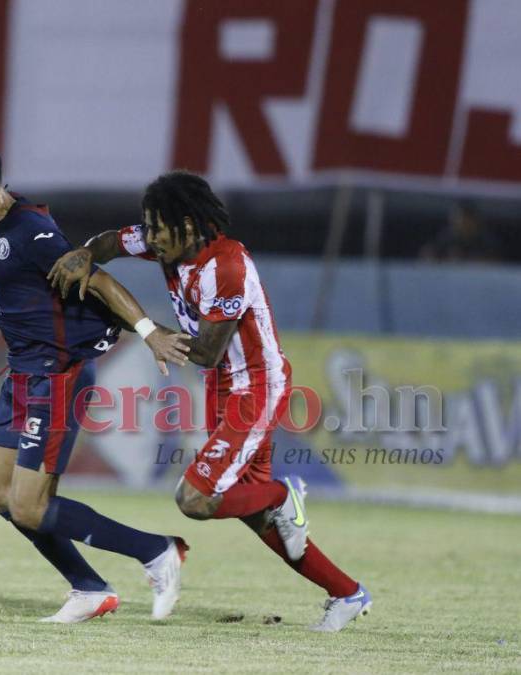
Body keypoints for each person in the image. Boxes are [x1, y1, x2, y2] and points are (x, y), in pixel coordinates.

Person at [48, 170, 372, 632]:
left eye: (159, 227)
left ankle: (287, 493)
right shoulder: (165, 241)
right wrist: (84, 254)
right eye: (149, 225)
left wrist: (145, 331)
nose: (151, 237)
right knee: (257, 515)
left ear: (188, 225)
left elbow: (205, 351)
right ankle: (346, 592)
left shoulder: (227, 267)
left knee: (196, 498)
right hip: (224, 388)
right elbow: (110, 241)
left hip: (255, 386)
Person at [0, 136, 192, 623]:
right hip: (23, 372)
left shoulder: (34, 232)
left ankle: (157, 550)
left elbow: (96, 278)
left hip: (59, 374)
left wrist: (148, 333)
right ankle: (89, 588)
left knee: (31, 507)